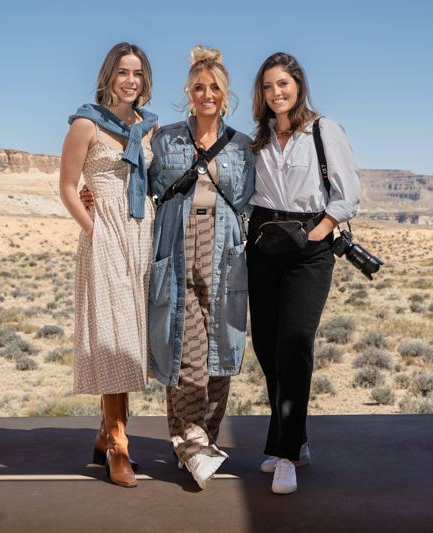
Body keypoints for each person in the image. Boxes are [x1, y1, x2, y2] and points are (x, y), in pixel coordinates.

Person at [246, 52, 361, 495]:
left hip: (308, 251)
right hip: (263, 246)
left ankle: (286, 454)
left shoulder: (323, 130)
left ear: (298, 85)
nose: (277, 93)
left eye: (284, 84)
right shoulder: (257, 138)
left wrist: (320, 233)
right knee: (267, 346)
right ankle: (297, 438)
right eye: (269, 86)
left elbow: (347, 193)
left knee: (294, 344)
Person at [147, 45, 256, 489]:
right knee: (184, 348)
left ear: (224, 94)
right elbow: (142, 190)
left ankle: (197, 441)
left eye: (214, 88)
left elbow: (249, 204)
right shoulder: (165, 140)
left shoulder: (243, 146)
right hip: (176, 249)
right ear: (188, 91)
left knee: (220, 353)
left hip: (225, 256)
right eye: (199, 87)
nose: (206, 94)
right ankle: (192, 442)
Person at [59, 42, 157, 488]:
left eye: (137, 73)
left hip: (142, 236)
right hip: (106, 237)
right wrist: (96, 231)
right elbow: (66, 186)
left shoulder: (149, 127)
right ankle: (119, 446)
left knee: (132, 341)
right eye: (123, 72)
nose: (130, 80)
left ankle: (105, 433)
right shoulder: (86, 123)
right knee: (114, 337)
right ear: (109, 76)